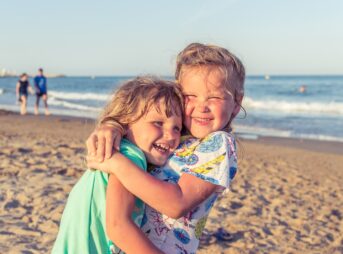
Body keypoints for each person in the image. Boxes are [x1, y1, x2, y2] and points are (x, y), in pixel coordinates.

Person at [86, 42, 245, 253]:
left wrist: (115, 162)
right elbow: (139, 121)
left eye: (214, 97)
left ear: (236, 102)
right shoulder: (176, 136)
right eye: (190, 96)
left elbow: (175, 204)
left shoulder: (219, 144)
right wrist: (112, 126)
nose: (201, 107)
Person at [52, 77, 183, 254]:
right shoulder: (130, 156)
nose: (170, 135)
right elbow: (118, 226)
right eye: (158, 123)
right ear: (126, 122)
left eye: (177, 128)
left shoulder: (122, 151)